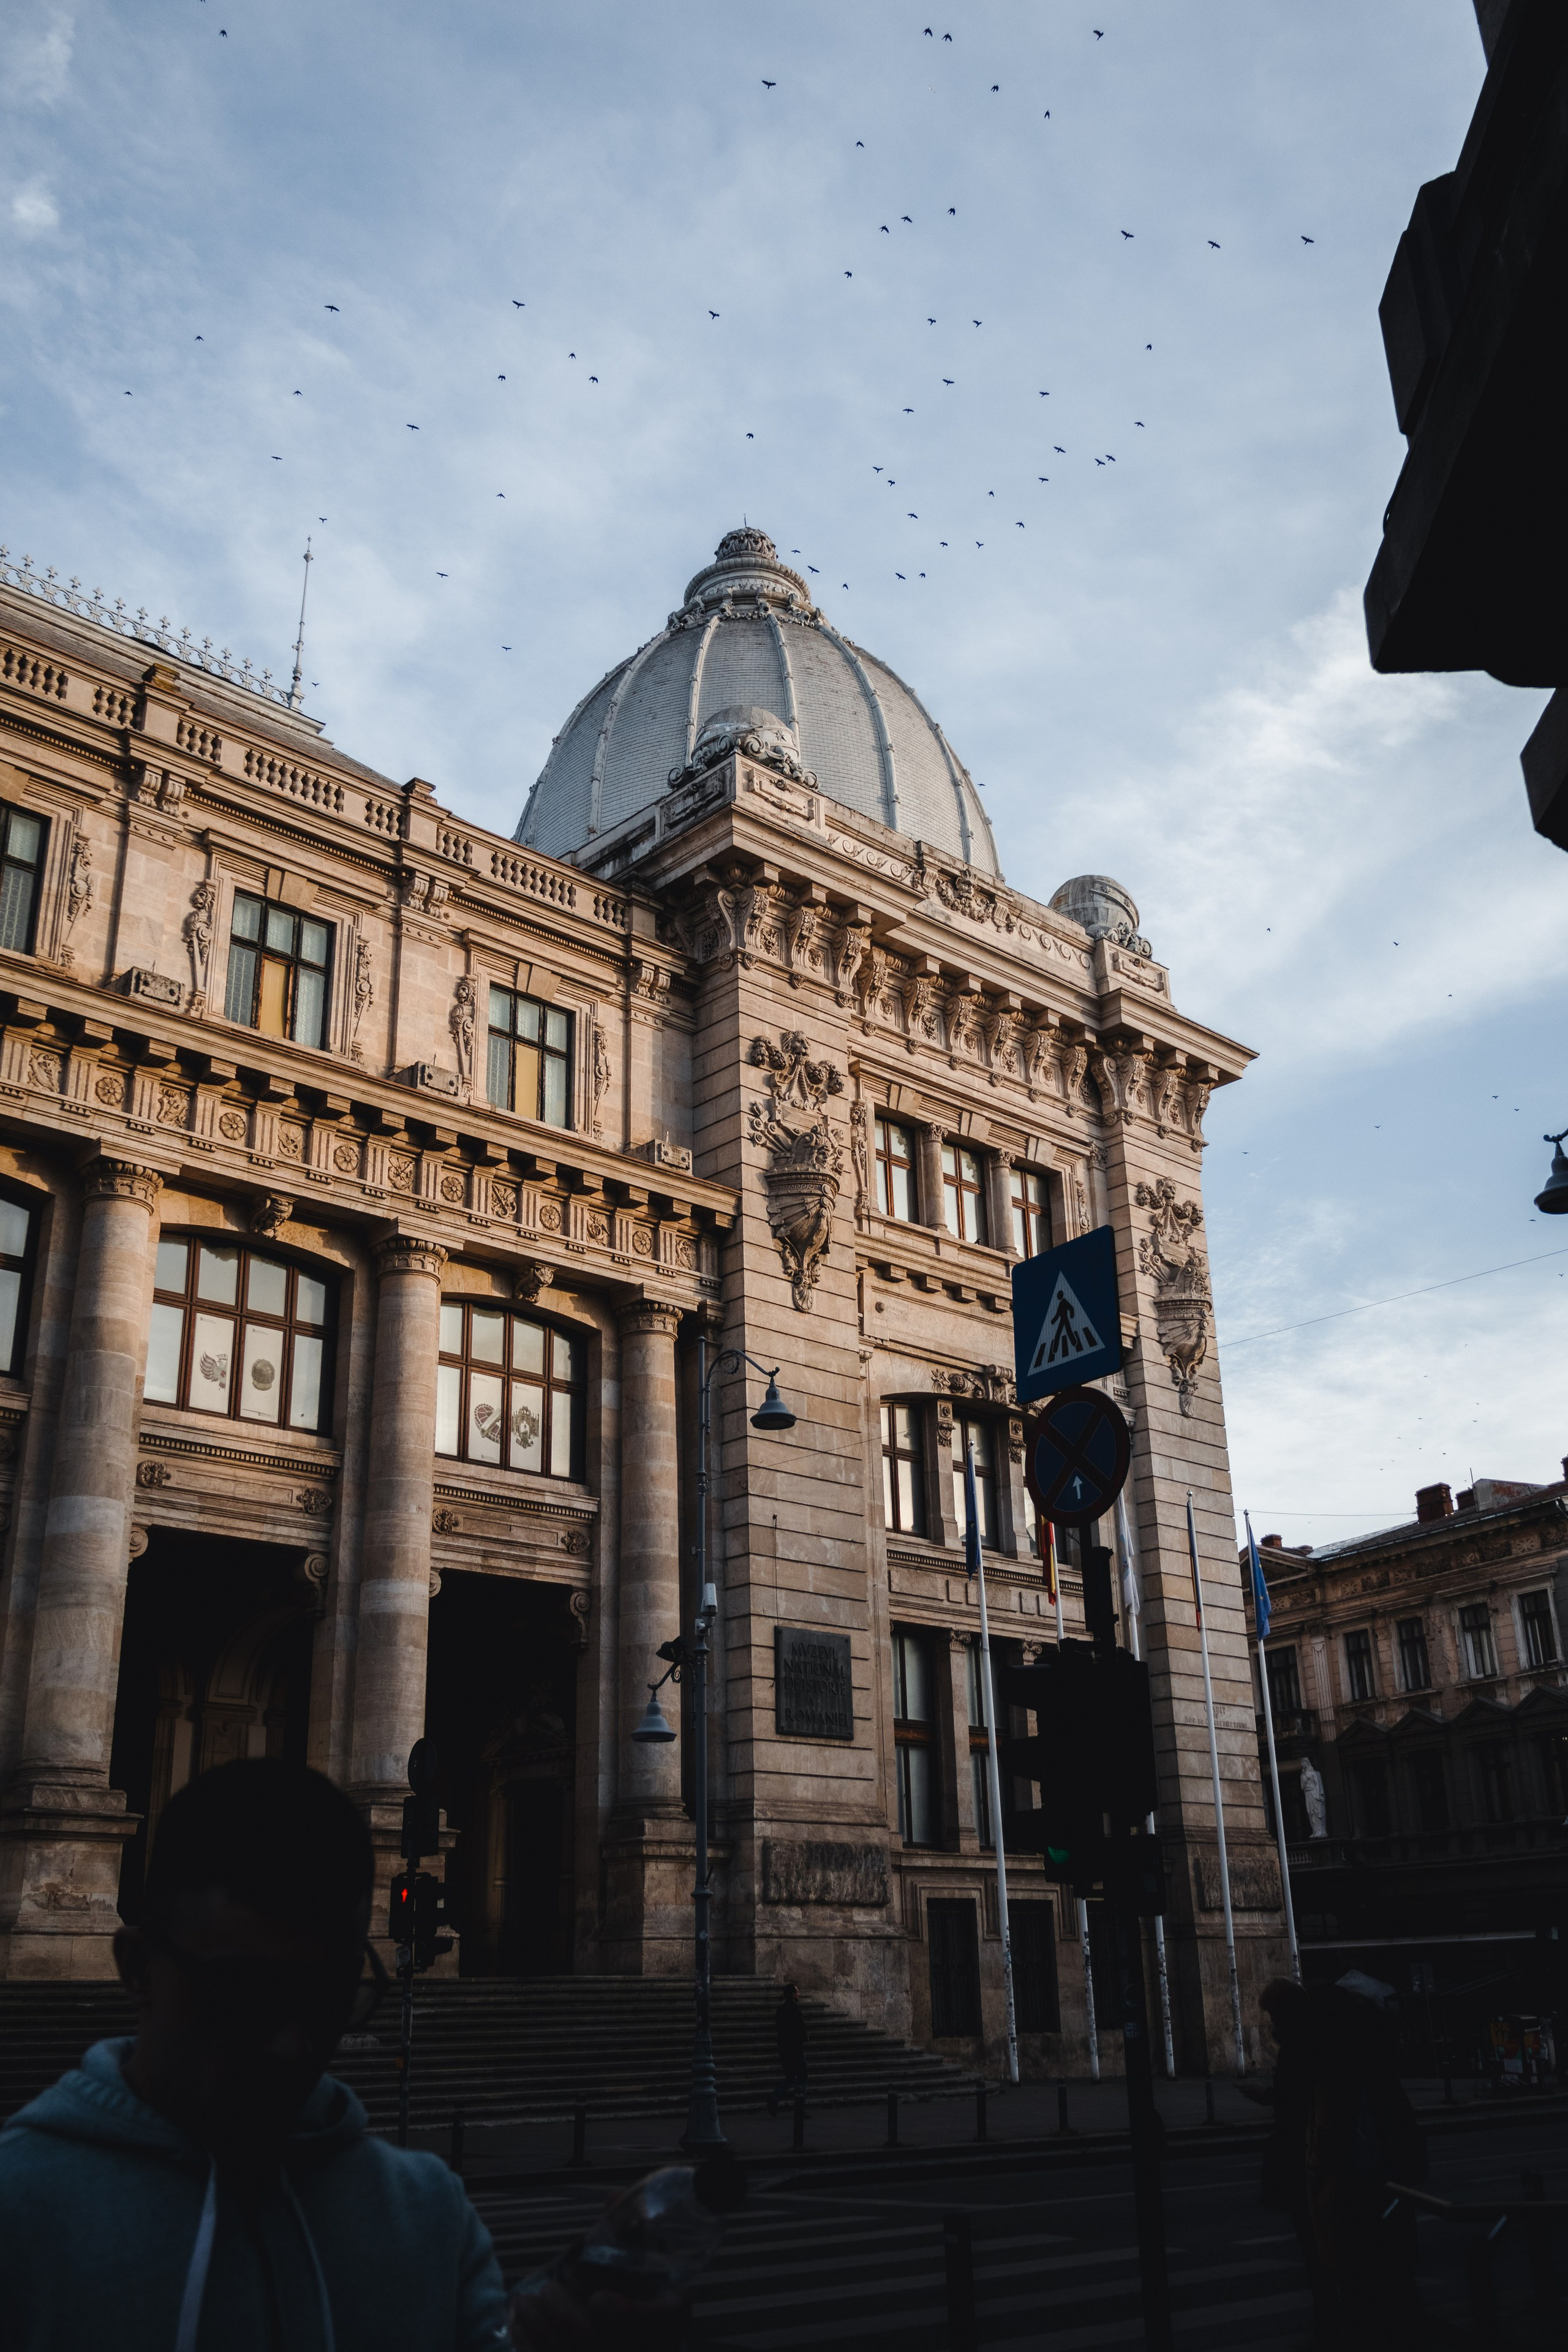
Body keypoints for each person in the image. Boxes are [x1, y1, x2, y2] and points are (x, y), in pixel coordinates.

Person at [0, 1756, 510, 2351]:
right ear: (138, 1966)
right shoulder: (17, 2212)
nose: (291, 2044)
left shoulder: (427, 2213)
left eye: (327, 1997)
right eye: (244, 1996)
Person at [1256, 1975, 1428, 2350]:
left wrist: (1319, 2176)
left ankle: (1357, 2330)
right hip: (1371, 2180)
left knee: (1352, 2271)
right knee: (1382, 2272)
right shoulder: (1367, 2059)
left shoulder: (1329, 2063)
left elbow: (1328, 2128)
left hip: (1347, 2184)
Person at [765, 1982, 809, 2119]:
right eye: (797, 1992)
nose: (799, 1994)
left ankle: (774, 2098)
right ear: (792, 1995)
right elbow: (800, 2032)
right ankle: (800, 2109)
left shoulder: (780, 2011)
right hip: (796, 2051)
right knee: (802, 2078)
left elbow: (780, 2030)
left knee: (790, 2078)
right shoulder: (796, 2012)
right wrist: (805, 2037)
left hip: (784, 2050)